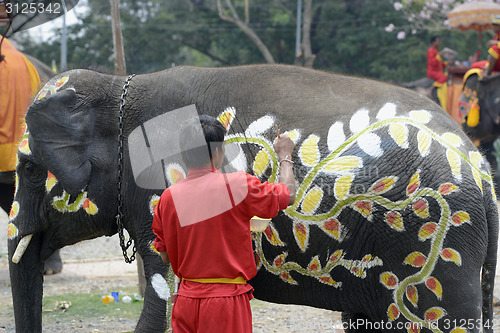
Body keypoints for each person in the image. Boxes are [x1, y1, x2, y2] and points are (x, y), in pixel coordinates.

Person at [151, 114, 296, 333]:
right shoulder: (237, 186)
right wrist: (285, 155)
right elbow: (288, 195)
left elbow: (165, 256)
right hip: (225, 302)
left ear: (184, 154)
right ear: (218, 152)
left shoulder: (167, 198)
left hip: (186, 301)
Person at [427, 35, 447, 110]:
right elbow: (432, 63)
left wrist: (446, 64)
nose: (439, 43)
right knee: (444, 77)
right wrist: (439, 56)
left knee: (445, 75)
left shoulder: (436, 51)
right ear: (433, 42)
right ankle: (432, 88)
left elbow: (439, 64)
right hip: (432, 72)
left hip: (437, 71)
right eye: (438, 41)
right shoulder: (431, 51)